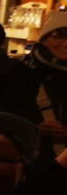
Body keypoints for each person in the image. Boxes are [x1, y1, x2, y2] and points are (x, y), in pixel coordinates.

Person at [26, 12, 67, 160]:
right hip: (33, 159)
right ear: (44, 40)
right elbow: (9, 112)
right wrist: (33, 127)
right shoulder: (24, 71)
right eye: (58, 35)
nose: (65, 43)